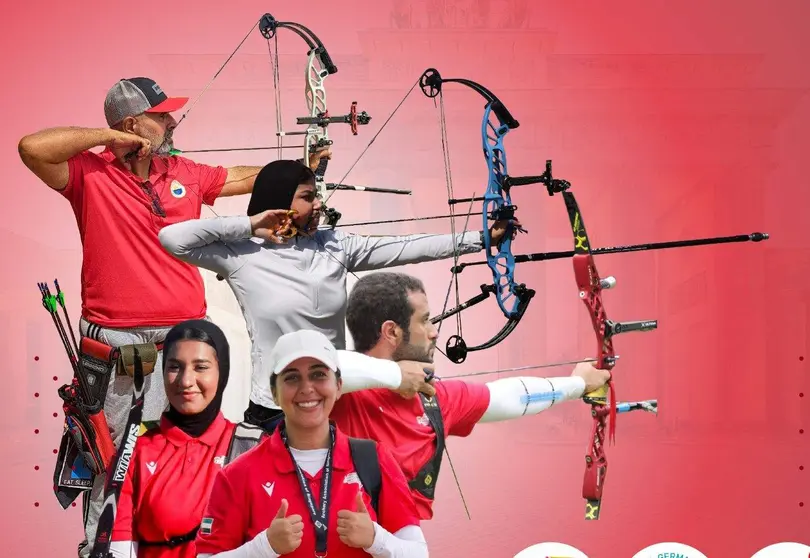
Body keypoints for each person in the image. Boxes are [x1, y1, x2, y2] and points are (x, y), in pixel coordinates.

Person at [17, 77, 328, 557]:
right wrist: (110, 140)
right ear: (131, 123)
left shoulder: (184, 171)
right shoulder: (88, 175)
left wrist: (301, 171)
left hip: (183, 347)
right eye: (160, 115)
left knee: (188, 456)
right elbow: (31, 148)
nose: (171, 121)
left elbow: (245, 178)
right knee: (111, 460)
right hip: (114, 350)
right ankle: (100, 550)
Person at [158, 158, 518, 432]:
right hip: (273, 411)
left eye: (317, 196)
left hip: (331, 404)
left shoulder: (334, 244)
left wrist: (482, 239)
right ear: (279, 202)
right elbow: (172, 239)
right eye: (307, 197)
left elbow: (408, 247)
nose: (317, 204)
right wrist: (251, 223)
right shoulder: (239, 253)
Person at [330, 271, 613, 519]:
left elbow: (512, 397)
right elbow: (308, 369)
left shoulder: (434, 399)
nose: (434, 332)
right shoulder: (334, 394)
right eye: (425, 321)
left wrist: (578, 384)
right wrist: (396, 376)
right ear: (391, 331)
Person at [195, 329, 428, 558]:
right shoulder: (238, 475)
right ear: (274, 394)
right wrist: (263, 548)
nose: (307, 388)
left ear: (338, 386)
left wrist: (376, 539)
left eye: (318, 374)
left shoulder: (374, 460)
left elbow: (419, 553)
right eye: (292, 377)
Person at [109, 319, 242, 557]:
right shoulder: (134, 453)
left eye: (201, 367)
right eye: (174, 367)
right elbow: (118, 550)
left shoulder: (254, 446)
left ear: (223, 372)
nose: (185, 381)